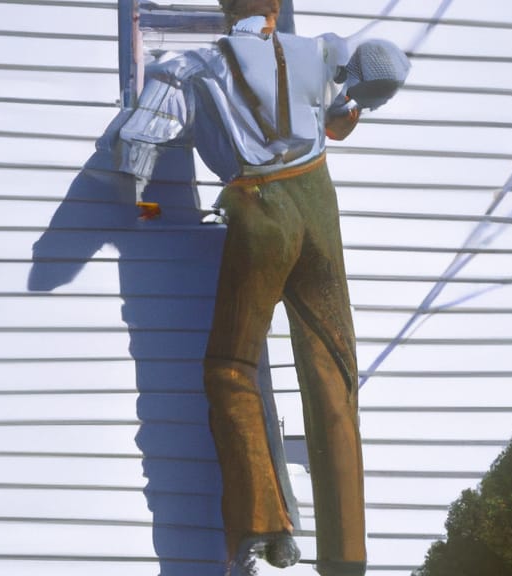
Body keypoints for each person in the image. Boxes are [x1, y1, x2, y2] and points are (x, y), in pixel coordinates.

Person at [119, 2, 409, 574]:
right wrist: (358, 106)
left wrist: (151, 216)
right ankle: (347, 558)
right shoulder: (322, 51)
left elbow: (134, 150)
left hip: (258, 209)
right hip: (318, 204)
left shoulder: (189, 69)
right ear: (276, 9)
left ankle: (263, 527)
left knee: (230, 366)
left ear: (228, 9)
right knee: (333, 371)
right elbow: (387, 66)